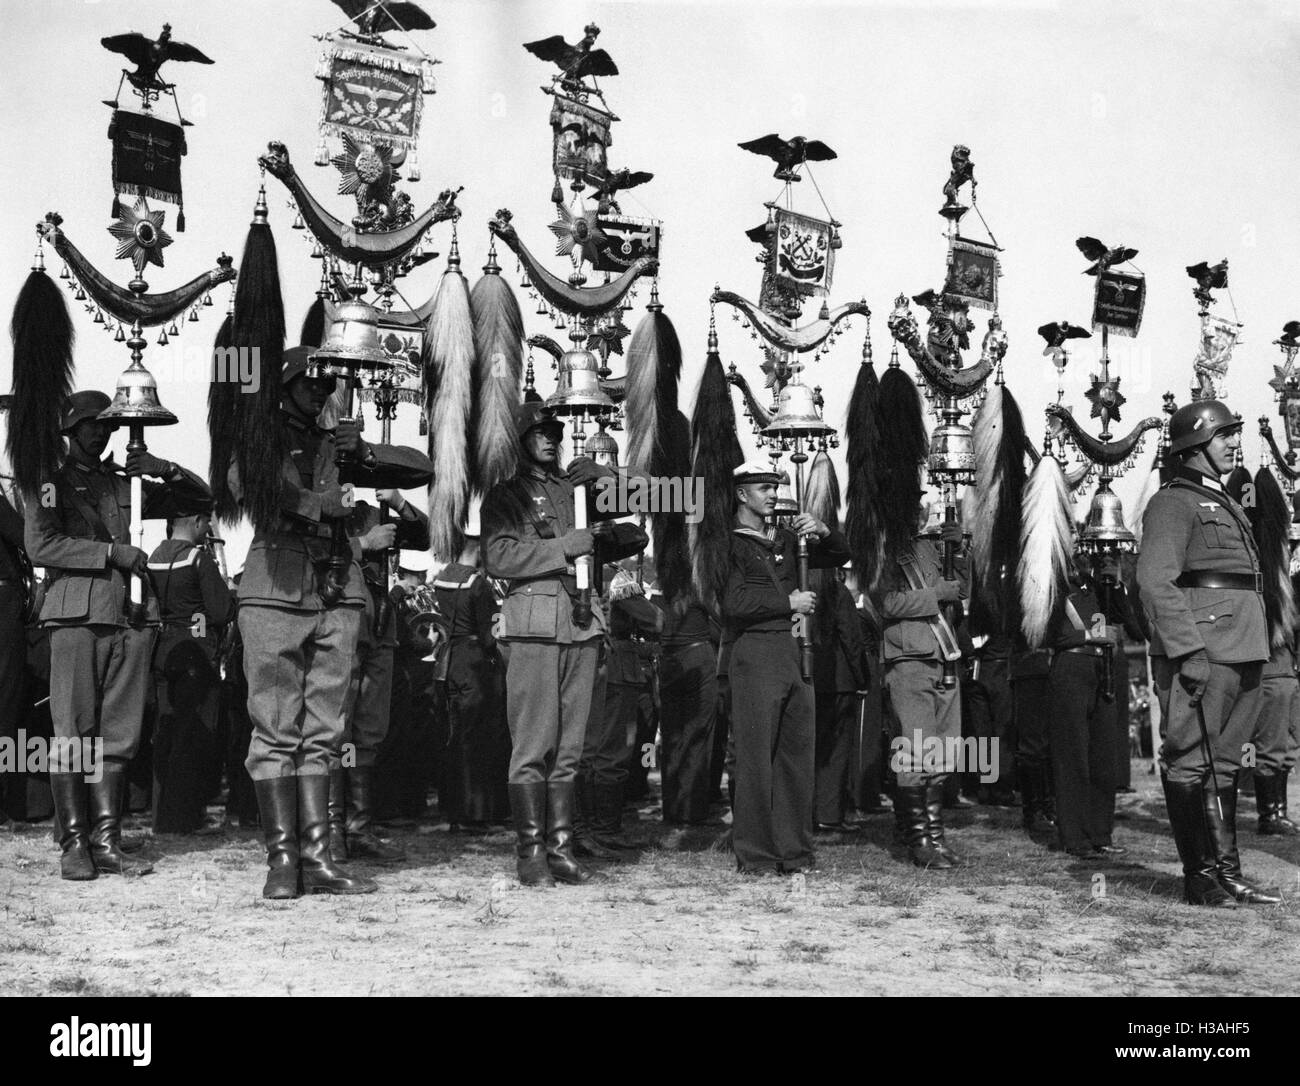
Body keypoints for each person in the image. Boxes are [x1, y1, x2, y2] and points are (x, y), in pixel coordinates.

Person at [232, 346, 429, 899]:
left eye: (327, 386)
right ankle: (281, 863)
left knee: (324, 731)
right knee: (275, 728)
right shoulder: (259, 434)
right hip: (276, 585)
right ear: (287, 384)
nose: (321, 393)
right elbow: (256, 489)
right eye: (311, 383)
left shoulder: (337, 443)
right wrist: (326, 505)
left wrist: (362, 449)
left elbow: (420, 468)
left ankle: (318, 858)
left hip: (339, 589)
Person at [25, 390, 211, 879]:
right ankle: (73, 845)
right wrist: (108, 555)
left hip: (129, 620)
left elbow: (201, 498)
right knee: (72, 733)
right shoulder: (49, 481)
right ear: (70, 431)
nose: (100, 432)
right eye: (90, 424)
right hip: (76, 619)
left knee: (118, 736)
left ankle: (107, 842)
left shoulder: (124, 482)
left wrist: (160, 467)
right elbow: (41, 544)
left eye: (105, 423)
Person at [1136, 399, 1280, 906]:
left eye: (1233, 435)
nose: (1232, 444)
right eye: (1223, 436)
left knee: (1224, 764)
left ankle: (1227, 871)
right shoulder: (1173, 503)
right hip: (1207, 647)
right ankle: (1199, 875)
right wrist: (1188, 649)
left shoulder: (1224, 501)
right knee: (1190, 762)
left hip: (1243, 646)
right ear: (1196, 444)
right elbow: (1155, 581)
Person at [482, 402, 620, 887]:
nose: (550, 438)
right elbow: (497, 556)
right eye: (540, 431)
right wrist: (565, 547)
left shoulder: (577, 490)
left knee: (571, 747)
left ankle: (561, 848)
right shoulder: (505, 495)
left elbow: (648, 504)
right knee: (533, 744)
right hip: (534, 623)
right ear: (520, 438)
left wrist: (603, 474)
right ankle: (530, 853)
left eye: (555, 431)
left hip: (581, 624)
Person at [722, 461, 849, 875]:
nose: (774, 494)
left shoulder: (786, 539)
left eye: (775, 487)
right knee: (756, 759)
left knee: (797, 757)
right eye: (764, 488)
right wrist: (788, 604)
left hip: (796, 653)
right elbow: (731, 605)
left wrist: (824, 529)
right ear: (742, 494)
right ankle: (757, 855)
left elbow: (839, 554)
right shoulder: (728, 544)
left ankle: (795, 852)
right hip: (755, 654)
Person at [330, 487, 430, 863]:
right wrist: (362, 544)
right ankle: (331, 830)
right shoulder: (326, 512)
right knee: (337, 730)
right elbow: (314, 557)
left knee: (365, 732)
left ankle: (357, 827)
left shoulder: (380, 513)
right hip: (341, 626)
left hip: (379, 629)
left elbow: (425, 536)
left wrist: (399, 502)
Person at [874, 505, 967, 868]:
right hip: (909, 660)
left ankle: (936, 836)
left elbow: (960, 592)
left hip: (944, 658)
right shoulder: (881, 550)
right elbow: (887, 602)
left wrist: (957, 552)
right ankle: (918, 840)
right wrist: (936, 595)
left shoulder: (931, 546)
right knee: (915, 751)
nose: (918, 508)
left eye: (919, 499)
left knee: (943, 750)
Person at [1045, 546, 1142, 857]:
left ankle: (1101, 833)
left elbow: (1135, 628)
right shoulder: (1054, 583)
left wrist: (1116, 582)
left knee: (1105, 755)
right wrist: (1090, 635)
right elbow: (1048, 633)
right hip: (1072, 667)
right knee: (1073, 755)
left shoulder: (1105, 587)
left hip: (1106, 668)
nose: (1095, 558)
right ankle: (1074, 837)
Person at [147, 503, 234, 833]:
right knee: (193, 734)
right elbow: (221, 610)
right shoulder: (198, 558)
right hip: (196, 654)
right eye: (206, 523)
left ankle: (162, 816)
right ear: (197, 521)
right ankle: (184, 817)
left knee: (165, 733)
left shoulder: (152, 556)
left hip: (163, 652)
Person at [434, 521, 511, 830]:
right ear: (478, 549)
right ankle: (476, 814)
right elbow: (492, 633)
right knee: (479, 738)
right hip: (476, 662)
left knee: (454, 736)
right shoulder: (477, 583)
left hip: (448, 661)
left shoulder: (442, 578)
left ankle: (454, 812)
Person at [812, 567, 870, 831]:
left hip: (809, 676)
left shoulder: (800, 588)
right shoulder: (838, 592)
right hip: (839, 679)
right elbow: (851, 638)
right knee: (836, 752)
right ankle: (829, 813)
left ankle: (811, 811)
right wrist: (862, 678)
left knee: (812, 750)